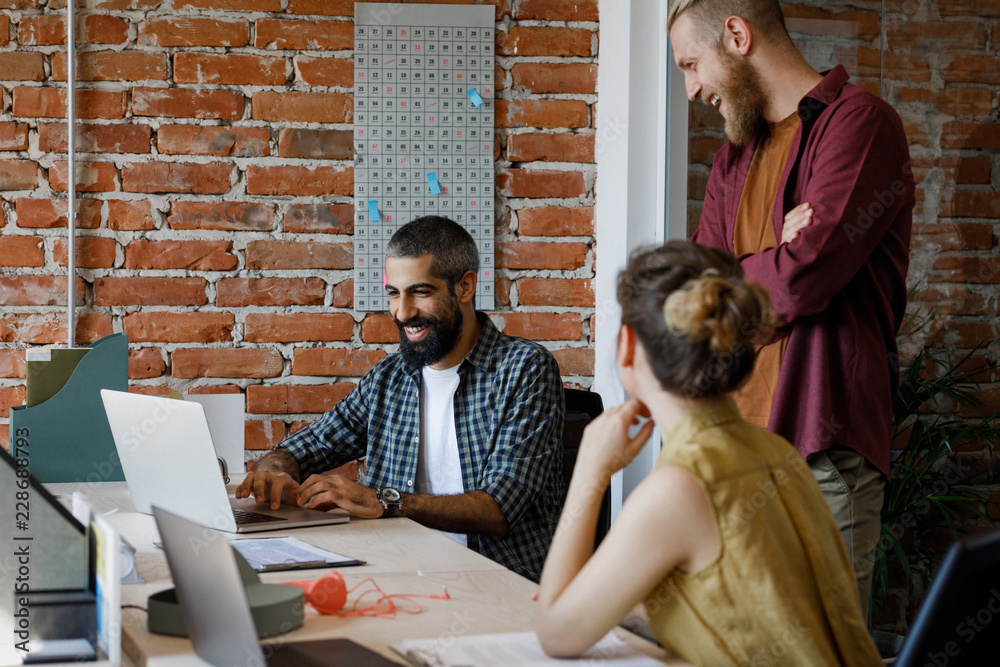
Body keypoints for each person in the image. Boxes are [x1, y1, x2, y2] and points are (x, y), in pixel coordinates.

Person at [669, 0, 914, 617]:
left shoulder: (860, 125)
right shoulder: (733, 158)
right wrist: (777, 251)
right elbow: (691, 298)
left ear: (737, 34)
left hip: (820, 451)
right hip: (734, 453)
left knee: (819, 651)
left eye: (693, 65)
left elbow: (805, 280)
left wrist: (760, 267)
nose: (693, 89)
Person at [535, 241, 882, 665]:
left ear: (627, 345)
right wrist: (624, 602)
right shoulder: (776, 451)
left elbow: (556, 633)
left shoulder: (676, 488)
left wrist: (591, 469)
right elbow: (753, 605)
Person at [236, 215, 565, 581]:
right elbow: (304, 447)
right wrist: (272, 471)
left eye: (420, 292)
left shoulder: (526, 369)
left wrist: (382, 500)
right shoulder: (389, 377)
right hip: (400, 572)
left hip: (498, 581)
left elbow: (501, 509)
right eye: (394, 293)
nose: (403, 312)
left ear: (465, 287)